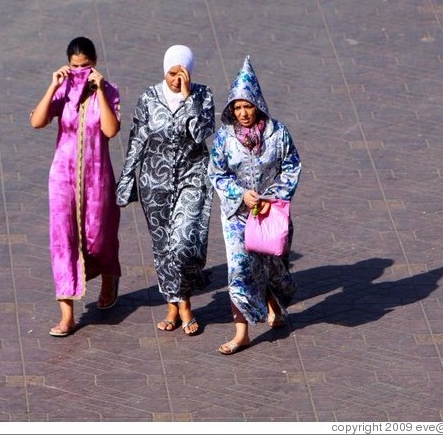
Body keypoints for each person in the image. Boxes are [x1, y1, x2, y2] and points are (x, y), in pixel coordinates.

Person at [116, 45, 214, 336]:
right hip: (153, 183)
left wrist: (187, 98)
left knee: (184, 243)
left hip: (191, 178)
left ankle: (181, 297)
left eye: (181, 74)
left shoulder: (202, 95)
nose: (175, 79)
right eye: (171, 74)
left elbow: (200, 134)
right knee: (162, 248)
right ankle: (178, 304)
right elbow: (136, 140)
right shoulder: (148, 98)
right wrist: (125, 181)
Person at [208, 55, 301, 355]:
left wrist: (271, 197)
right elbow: (216, 173)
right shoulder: (224, 139)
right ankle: (242, 332)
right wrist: (240, 194)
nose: (243, 113)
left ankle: (274, 304)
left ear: (257, 105)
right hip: (237, 215)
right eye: (237, 107)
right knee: (238, 269)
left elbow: (292, 166)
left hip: (270, 214)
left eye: (248, 106)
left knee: (272, 264)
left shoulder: (278, 134)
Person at [30, 36, 122, 337]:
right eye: (74, 66)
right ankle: (67, 313)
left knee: (99, 236)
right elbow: (37, 121)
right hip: (62, 176)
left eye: (85, 66)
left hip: (97, 176)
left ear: (94, 64)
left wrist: (100, 90)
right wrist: (53, 86)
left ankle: (109, 276)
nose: (79, 71)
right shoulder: (64, 89)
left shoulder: (108, 91)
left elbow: (110, 129)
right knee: (63, 240)